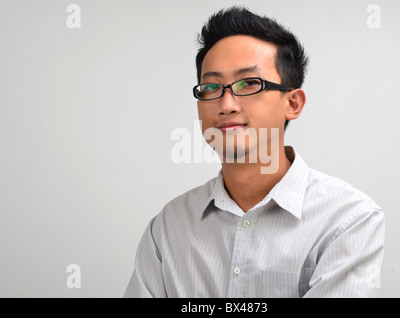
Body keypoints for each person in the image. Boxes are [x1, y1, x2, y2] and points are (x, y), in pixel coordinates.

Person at [124, 6, 385, 298]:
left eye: (249, 83)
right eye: (211, 86)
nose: (226, 104)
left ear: (293, 103)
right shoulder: (168, 227)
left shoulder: (348, 219)